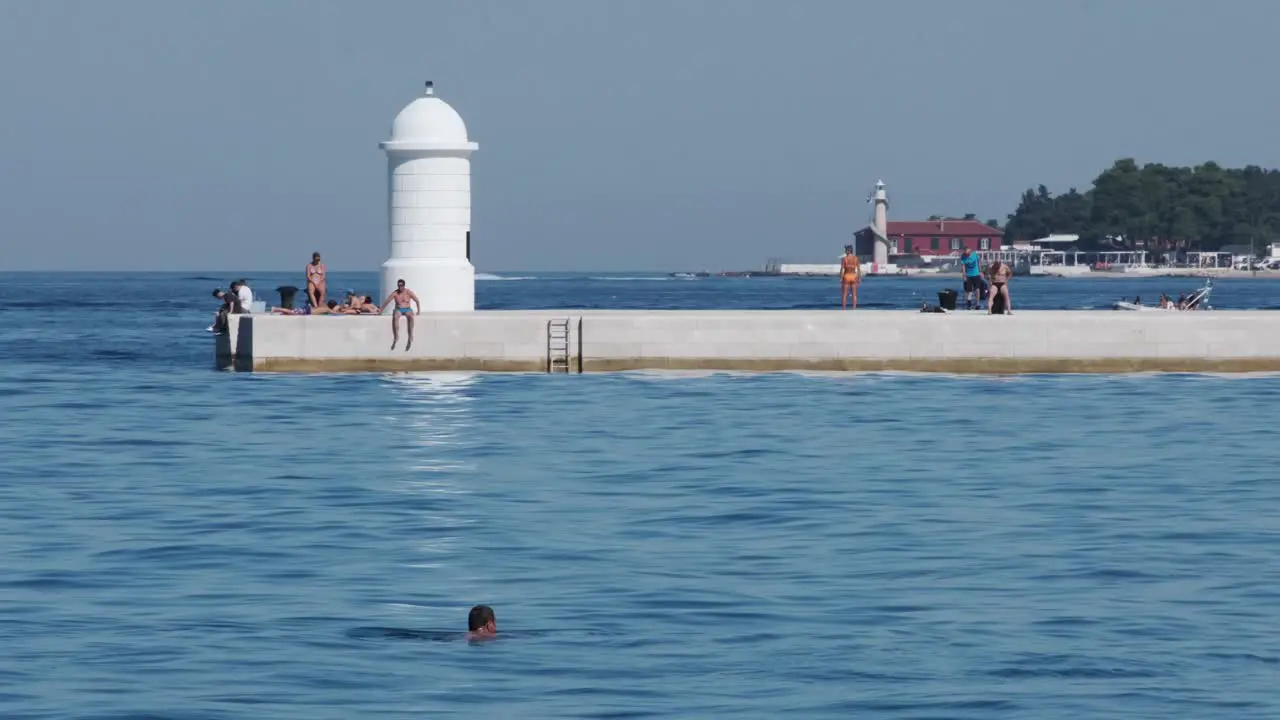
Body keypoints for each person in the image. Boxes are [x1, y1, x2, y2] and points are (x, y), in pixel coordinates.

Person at [380, 278, 421, 351]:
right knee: (395, 317)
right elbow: (387, 301)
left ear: (404, 286)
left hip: (407, 308)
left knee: (411, 317)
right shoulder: (395, 293)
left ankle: (410, 335)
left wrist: (418, 311)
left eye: (401, 286)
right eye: (399, 286)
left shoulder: (408, 292)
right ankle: (396, 336)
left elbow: (417, 300)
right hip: (398, 309)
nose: (400, 287)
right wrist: (381, 309)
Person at [839, 245, 861, 309]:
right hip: (853, 276)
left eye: (846, 250)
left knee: (844, 294)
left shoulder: (844, 259)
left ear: (849, 251)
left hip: (846, 276)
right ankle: (854, 308)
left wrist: (840, 278)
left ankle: (843, 308)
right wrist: (859, 278)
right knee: (854, 294)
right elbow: (858, 270)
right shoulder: (856, 258)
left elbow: (842, 269)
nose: (845, 251)